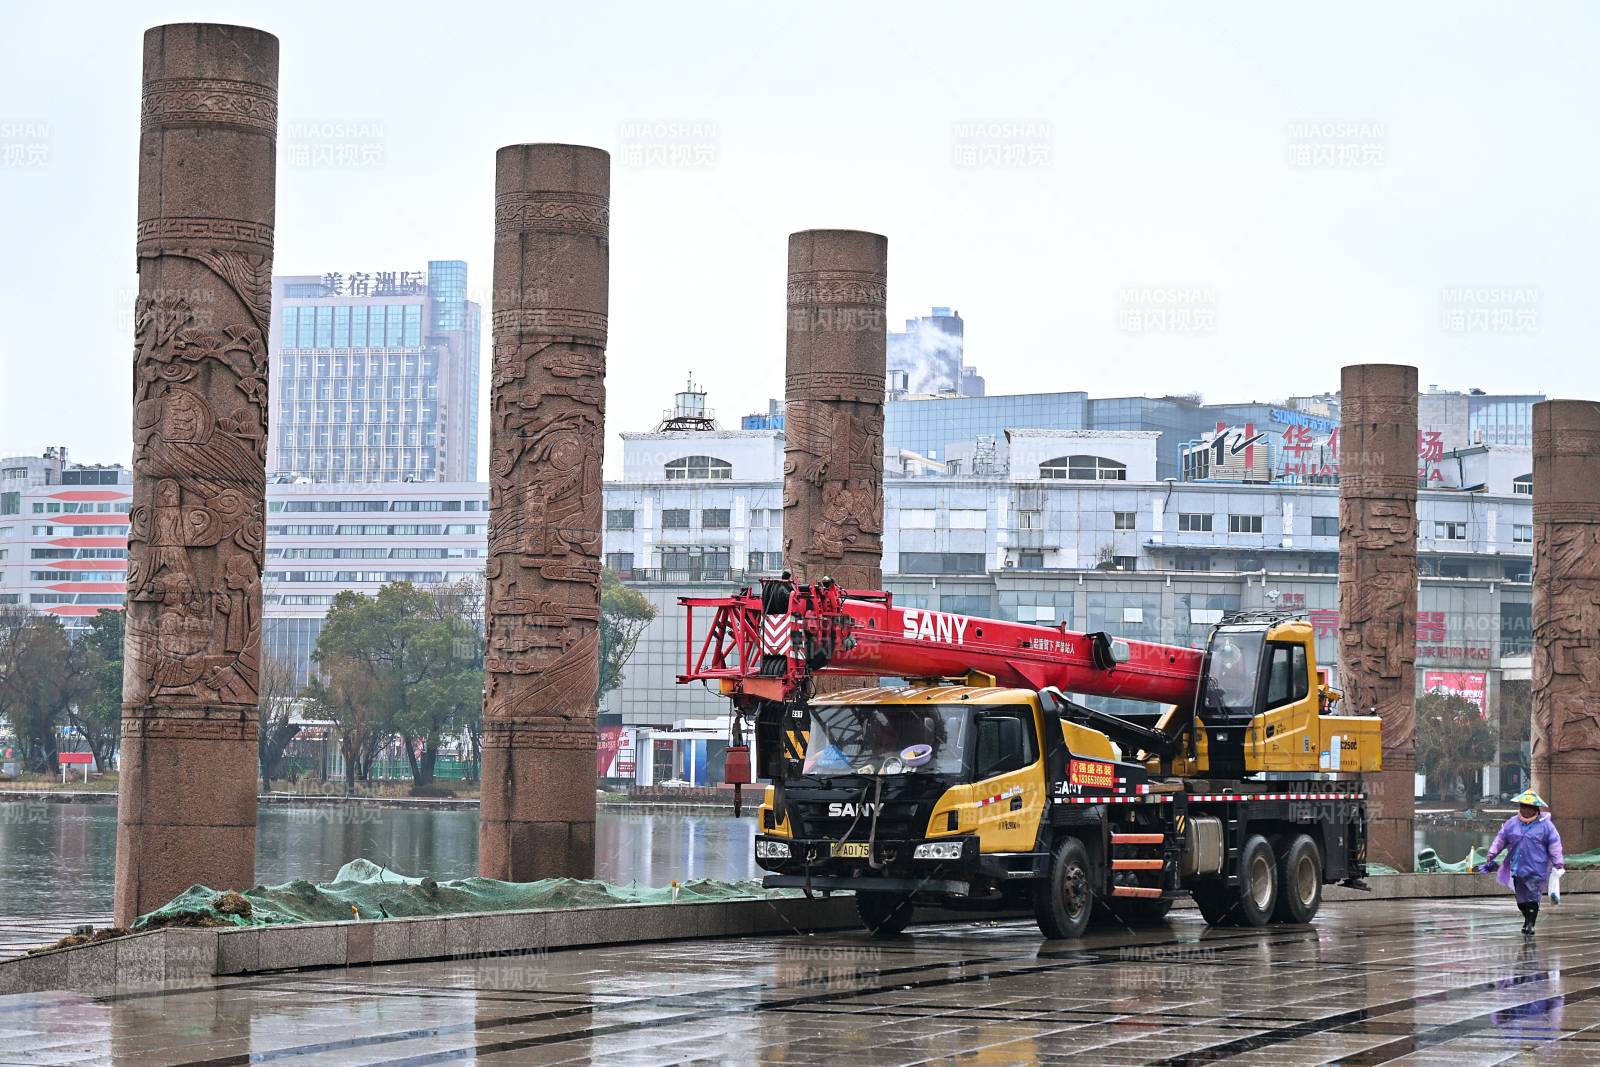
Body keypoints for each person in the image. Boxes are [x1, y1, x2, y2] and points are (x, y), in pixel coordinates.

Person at [1481, 791, 1564, 935]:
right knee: (1521, 900)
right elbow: (1501, 839)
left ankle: (1531, 925)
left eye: (1529, 807)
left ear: (1536, 809)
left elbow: (1554, 844)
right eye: (1523, 807)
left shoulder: (1546, 826)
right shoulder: (1512, 823)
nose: (1526, 810)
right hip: (1517, 867)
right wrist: (1492, 853)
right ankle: (1527, 919)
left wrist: (1558, 863)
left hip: (1536, 869)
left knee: (1533, 897)